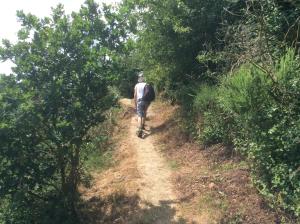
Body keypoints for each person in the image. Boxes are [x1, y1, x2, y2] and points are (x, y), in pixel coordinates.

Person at [134, 72, 150, 137]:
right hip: (146, 101)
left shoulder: (137, 85)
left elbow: (135, 95)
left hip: (139, 101)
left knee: (139, 115)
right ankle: (143, 126)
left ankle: (139, 130)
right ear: (144, 78)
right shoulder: (146, 84)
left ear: (139, 79)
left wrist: (135, 103)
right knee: (144, 114)